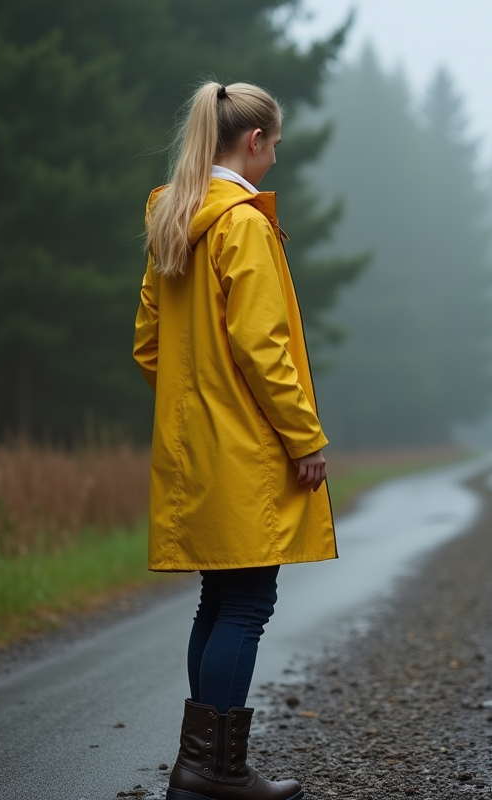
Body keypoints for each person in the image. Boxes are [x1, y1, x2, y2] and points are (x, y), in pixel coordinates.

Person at [133, 80, 335, 800]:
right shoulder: (241, 224)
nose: (275, 159)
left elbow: (149, 348)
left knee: (219, 600)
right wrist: (303, 437)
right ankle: (215, 774)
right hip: (246, 449)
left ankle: (201, 770)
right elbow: (262, 344)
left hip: (193, 450)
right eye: (274, 145)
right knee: (246, 604)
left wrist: (195, 410)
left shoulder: (173, 219)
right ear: (252, 141)